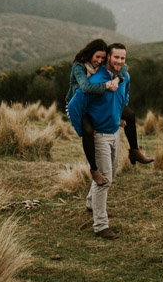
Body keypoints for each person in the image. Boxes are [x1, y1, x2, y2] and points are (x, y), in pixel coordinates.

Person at [67, 42, 137, 239]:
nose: (119, 61)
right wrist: (85, 130)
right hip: (100, 136)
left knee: (111, 174)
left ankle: (91, 203)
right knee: (104, 180)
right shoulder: (95, 81)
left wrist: (119, 114)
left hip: (115, 132)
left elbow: (124, 96)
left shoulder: (123, 76)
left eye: (123, 58)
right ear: (108, 58)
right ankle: (100, 225)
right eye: (116, 57)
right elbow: (74, 105)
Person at [64, 40, 153, 187]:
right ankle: (94, 169)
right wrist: (107, 85)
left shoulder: (107, 68)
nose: (100, 61)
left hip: (95, 100)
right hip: (79, 104)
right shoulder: (79, 66)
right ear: (90, 54)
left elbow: (124, 69)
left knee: (129, 114)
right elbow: (85, 87)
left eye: (102, 58)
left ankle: (134, 150)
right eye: (97, 57)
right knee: (87, 131)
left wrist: (117, 81)